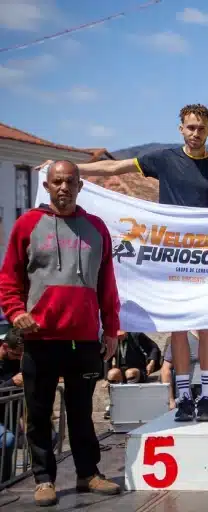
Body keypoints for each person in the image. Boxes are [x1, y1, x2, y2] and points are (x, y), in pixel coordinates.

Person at [68, 104, 208, 423]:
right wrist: (71, 169)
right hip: (173, 256)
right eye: (190, 127)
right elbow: (117, 170)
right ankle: (184, 398)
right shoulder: (163, 159)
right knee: (180, 329)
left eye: (201, 128)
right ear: (180, 129)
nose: (195, 133)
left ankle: (207, 397)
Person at [0, 160, 122, 506]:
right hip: (39, 340)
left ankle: (88, 474)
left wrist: (111, 329)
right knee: (38, 413)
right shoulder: (28, 225)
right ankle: (44, 479)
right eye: (57, 182)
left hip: (83, 339)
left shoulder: (96, 228)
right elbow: (9, 279)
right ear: (48, 186)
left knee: (82, 411)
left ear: (80, 186)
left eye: (70, 181)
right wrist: (16, 313)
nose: (64, 188)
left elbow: (107, 284)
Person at [104, 331, 161, 420]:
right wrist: (106, 377)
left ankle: (132, 404)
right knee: (112, 374)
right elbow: (108, 358)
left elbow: (154, 347)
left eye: (121, 335)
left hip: (138, 370)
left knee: (130, 373)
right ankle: (114, 404)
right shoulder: (113, 339)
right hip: (121, 370)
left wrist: (152, 362)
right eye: (117, 336)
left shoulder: (137, 335)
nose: (120, 337)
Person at [0, 327, 23, 483]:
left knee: (50, 436)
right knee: (7, 440)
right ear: (5, 346)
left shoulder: (15, 361)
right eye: (16, 354)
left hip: (11, 415)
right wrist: (12, 383)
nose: (17, 359)